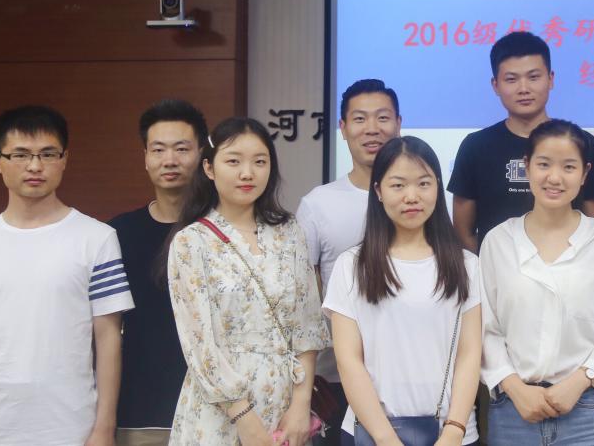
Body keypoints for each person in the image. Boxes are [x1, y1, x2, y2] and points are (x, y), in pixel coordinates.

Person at [0, 105, 133, 446]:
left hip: (68, 430)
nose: (35, 166)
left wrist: (104, 428)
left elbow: (108, 339)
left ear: (65, 159)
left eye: (47, 154)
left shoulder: (97, 239)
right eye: (20, 155)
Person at [166, 117, 329, 446]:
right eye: (233, 161)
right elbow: (200, 346)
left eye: (259, 161)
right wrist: (245, 419)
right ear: (209, 168)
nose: (247, 173)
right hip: (220, 411)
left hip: (287, 408)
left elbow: (307, 326)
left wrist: (301, 405)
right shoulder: (191, 242)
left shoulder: (290, 232)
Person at [480, 119, 594, 446]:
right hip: (513, 410)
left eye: (568, 166)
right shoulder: (498, 241)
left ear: (585, 173)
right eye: (543, 164)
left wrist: (580, 381)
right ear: (526, 167)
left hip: (587, 412)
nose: (554, 177)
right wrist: (514, 387)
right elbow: (486, 330)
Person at [324, 136, 481, 446]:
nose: (412, 196)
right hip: (370, 434)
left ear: (438, 187)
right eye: (398, 185)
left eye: (423, 184)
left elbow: (469, 353)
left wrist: (454, 430)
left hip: (453, 435)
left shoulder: (466, 265)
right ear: (379, 191)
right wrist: (386, 438)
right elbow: (349, 360)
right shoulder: (352, 266)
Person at [297, 80, 402, 444]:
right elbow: (303, 297)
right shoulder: (318, 204)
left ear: (399, 124)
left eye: (382, 118)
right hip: (337, 376)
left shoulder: (420, 198)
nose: (372, 128)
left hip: (409, 376)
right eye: (359, 119)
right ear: (342, 128)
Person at [450, 31, 594, 253]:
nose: (524, 89)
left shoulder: (582, 143)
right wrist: (486, 268)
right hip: (497, 268)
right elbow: (463, 232)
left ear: (551, 79)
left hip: (570, 268)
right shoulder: (475, 146)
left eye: (533, 77)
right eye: (511, 79)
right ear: (495, 85)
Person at [109, 99, 209, 446]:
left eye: (182, 149)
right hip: (139, 413)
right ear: (146, 157)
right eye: (158, 149)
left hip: (214, 414)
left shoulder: (222, 230)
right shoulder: (117, 234)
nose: (170, 160)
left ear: (202, 155)